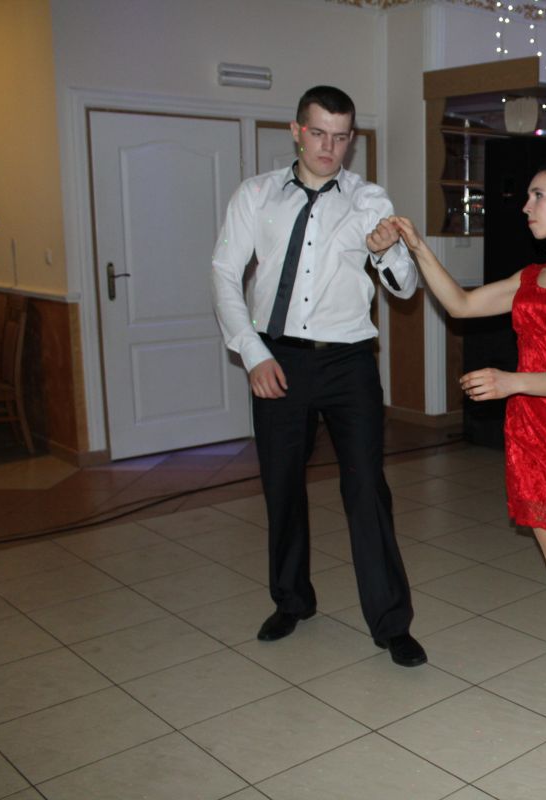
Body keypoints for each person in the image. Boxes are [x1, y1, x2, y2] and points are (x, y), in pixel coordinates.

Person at [388, 163, 546, 722]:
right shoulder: (529, 279)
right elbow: (460, 304)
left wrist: (511, 382)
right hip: (533, 436)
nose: (526, 207)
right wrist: (418, 248)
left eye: (537, 196)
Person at [211, 85, 427, 666]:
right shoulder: (256, 195)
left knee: (366, 489)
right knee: (281, 485)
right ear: (296, 131)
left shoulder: (368, 199)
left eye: (340, 137)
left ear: (350, 139)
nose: (329, 147)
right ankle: (292, 600)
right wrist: (253, 353)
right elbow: (224, 272)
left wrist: (386, 252)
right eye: (318, 134)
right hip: (277, 357)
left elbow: (405, 287)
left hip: (348, 361)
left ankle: (391, 623)